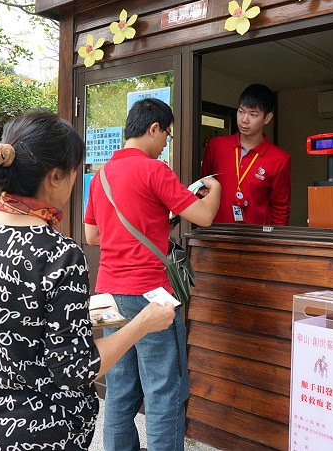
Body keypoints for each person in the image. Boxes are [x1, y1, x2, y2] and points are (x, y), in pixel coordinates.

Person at [0, 110, 177, 451]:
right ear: (56, 176)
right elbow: (75, 368)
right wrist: (143, 322)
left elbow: (8, 315)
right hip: (36, 431)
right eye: (73, 172)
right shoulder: (57, 252)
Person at [83, 97, 222, 451]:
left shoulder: (101, 177)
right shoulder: (155, 170)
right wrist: (215, 189)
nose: (165, 144)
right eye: (166, 135)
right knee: (162, 390)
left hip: (107, 296)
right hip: (149, 296)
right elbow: (204, 216)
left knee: (119, 389)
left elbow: (92, 236)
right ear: (153, 127)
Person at [201, 83, 291, 225]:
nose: (244, 120)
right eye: (241, 111)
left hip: (256, 240)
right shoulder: (216, 146)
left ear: (267, 118)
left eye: (253, 114)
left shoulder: (280, 159)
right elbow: (202, 188)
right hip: (216, 234)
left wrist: (275, 245)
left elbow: (280, 209)